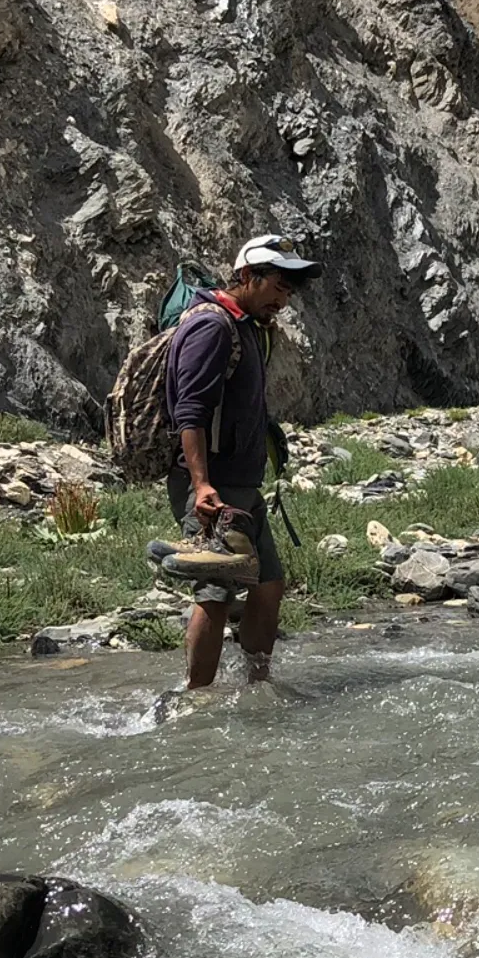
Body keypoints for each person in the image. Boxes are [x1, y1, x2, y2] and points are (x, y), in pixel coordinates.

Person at [160, 232, 320, 689]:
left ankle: (258, 684)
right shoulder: (212, 326)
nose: (284, 299)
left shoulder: (248, 327)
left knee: (268, 584)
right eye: (278, 286)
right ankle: (196, 699)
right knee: (214, 592)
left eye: (291, 290)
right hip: (213, 484)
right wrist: (202, 485)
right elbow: (188, 411)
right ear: (248, 275)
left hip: (241, 486)